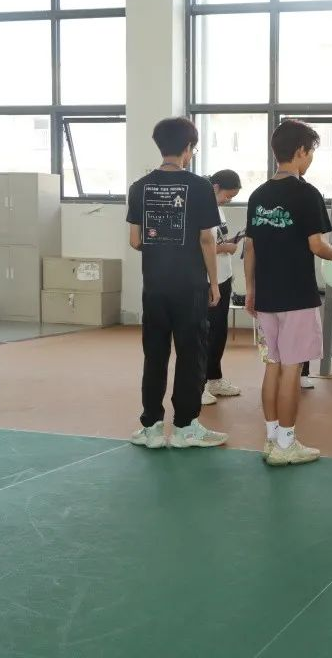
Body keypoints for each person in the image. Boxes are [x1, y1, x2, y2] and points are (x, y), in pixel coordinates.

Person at [244, 120, 332, 466]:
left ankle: (271, 439)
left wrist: (251, 291)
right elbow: (317, 245)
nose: (310, 159)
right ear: (300, 151)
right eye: (311, 152)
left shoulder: (258, 195)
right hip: (296, 297)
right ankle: (287, 443)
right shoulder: (306, 194)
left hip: (266, 296)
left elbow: (250, 246)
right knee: (292, 369)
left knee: (272, 366)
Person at [127, 117, 228, 450]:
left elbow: (135, 240)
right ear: (188, 148)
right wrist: (215, 283)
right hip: (190, 287)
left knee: (154, 355)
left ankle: (152, 428)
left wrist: (161, 244)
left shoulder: (139, 187)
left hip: (154, 287)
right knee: (191, 355)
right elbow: (206, 240)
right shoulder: (200, 187)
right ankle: (185, 428)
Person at [202, 169, 242, 406]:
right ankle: (199, 384)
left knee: (219, 332)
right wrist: (226, 248)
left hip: (224, 277)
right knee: (206, 333)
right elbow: (203, 245)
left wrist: (228, 243)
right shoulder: (201, 208)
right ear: (215, 187)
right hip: (208, 279)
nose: (228, 200)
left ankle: (214, 378)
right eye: (228, 195)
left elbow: (216, 240)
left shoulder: (219, 209)